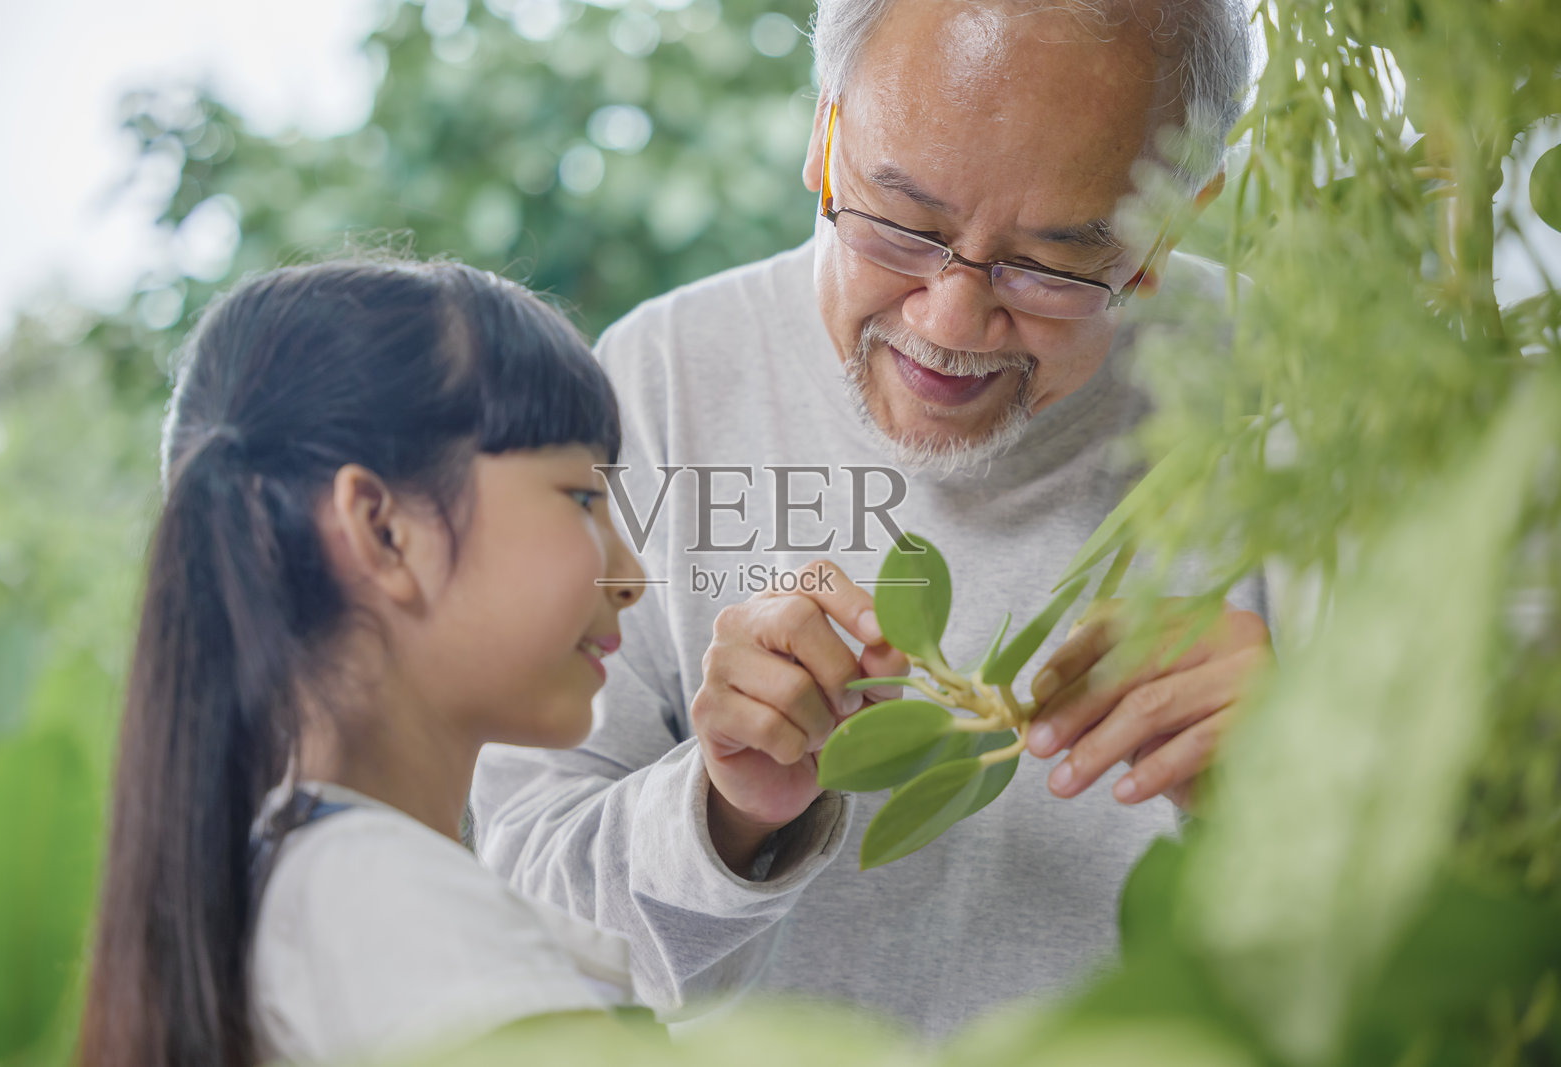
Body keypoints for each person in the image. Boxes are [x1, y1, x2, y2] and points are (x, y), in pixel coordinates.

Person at [471, 0, 1274, 1038]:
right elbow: (521, 900)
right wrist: (724, 812)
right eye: (903, 224)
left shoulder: (1306, 407)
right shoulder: (656, 384)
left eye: (1048, 265)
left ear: (1168, 224)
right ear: (825, 133)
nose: (948, 321)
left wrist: (1315, 773)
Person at [79, 259, 648, 1067]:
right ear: (382, 530)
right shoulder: (381, 901)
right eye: (582, 498)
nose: (630, 575)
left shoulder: (319, 883)